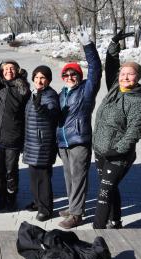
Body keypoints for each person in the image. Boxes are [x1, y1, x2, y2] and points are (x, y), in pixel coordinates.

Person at [92, 30, 141, 229]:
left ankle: (97, 230)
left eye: (130, 74)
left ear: (138, 77)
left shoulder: (139, 101)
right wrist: (113, 44)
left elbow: (135, 130)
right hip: (100, 150)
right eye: (123, 73)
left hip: (118, 155)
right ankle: (116, 221)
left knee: (104, 192)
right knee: (110, 188)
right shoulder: (114, 89)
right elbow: (110, 66)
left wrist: (118, 150)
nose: (125, 77)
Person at [56, 26, 102, 229]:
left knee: (79, 176)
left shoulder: (86, 90)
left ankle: (77, 214)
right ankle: (73, 205)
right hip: (63, 141)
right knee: (68, 176)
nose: (70, 77)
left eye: (73, 74)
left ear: (79, 76)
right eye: (66, 75)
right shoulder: (62, 93)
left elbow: (96, 69)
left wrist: (88, 45)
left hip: (79, 140)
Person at [0, 59, 31, 211]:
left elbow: (28, 115)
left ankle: (11, 199)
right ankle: (1, 198)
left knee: (11, 171)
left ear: (18, 71)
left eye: (12, 68)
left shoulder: (23, 90)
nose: (9, 71)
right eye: (6, 69)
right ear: (1, 71)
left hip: (13, 139)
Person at [22, 65, 60, 221]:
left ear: (49, 80)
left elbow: (51, 114)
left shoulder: (50, 96)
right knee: (33, 176)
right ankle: (38, 202)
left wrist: (41, 109)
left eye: (43, 77)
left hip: (43, 144)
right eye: (37, 77)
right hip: (32, 142)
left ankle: (46, 209)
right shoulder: (34, 94)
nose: (39, 80)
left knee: (43, 178)